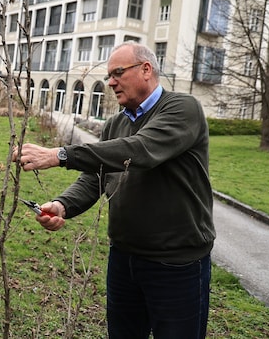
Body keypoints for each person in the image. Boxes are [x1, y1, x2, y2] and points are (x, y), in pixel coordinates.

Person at [13, 41, 215, 339]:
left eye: (118, 72)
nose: (110, 82)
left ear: (146, 69)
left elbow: (141, 150)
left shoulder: (182, 108)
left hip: (177, 264)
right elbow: (96, 177)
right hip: (124, 258)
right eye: (109, 75)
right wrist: (63, 204)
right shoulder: (115, 125)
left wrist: (60, 155)